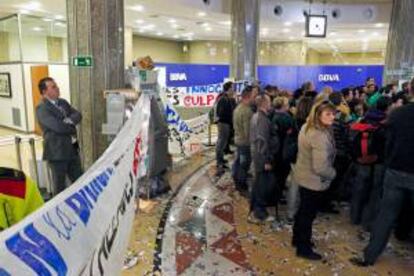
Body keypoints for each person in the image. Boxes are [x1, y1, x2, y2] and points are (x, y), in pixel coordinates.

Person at [351, 93, 414, 267]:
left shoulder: (398, 113)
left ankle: (369, 256)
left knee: (385, 216)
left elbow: (388, 141)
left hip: (395, 170)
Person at [292, 100, 336, 260]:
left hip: (303, 175)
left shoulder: (306, 127)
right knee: (307, 215)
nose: (333, 117)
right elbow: (320, 168)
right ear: (318, 115)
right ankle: (303, 248)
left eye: (333, 113)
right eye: (328, 114)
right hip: (313, 181)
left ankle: (297, 239)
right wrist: (333, 174)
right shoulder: (319, 136)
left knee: (303, 211)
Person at [349, 96, 391, 230]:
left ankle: (354, 217)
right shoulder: (387, 122)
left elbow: (352, 136)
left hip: (361, 159)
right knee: (375, 192)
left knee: (359, 188)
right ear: (388, 107)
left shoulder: (364, 118)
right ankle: (368, 223)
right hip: (379, 160)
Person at [36, 77, 83, 195]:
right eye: (53, 87)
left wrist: (69, 120)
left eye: (56, 85)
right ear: (44, 92)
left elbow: (78, 114)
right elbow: (58, 127)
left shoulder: (63, 102)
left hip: (72, 150)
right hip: (57, 153)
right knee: (60, 187)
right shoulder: (42, 108)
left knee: (80, 180)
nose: (57, 88)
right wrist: (71, 124)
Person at [249, 94, 279, 223]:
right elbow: (261, 141)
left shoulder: (257, 116)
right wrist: (267, 160)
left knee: (259, 184)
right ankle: (259, 213)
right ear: (264, 103)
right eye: (269, 101)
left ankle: (257, 209)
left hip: (259, 156)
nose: (271, 103)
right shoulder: (261, 119)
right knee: (262, 186)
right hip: (262, 158)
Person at [286, 96, 314, 222]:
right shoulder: (311, 125)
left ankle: (290, 213)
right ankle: (303, 211)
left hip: (295, 156)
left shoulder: (294, 121)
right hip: (307, 158)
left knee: (294, 185)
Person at [271, 96, 295, 204]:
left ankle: (276, 193)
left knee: (277, 173)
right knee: (282, 174)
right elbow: (293, 133)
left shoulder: (271, 116)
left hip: (275, 150)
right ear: (284, 106)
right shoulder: (286, 118)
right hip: (284, 150)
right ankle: (278, 195)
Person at [232, 86, 254, 195]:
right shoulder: (247, 111)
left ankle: (236, 177)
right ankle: (241, 184)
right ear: (248, 97)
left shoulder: (238, 108)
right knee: (244, 164)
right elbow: (248, 131)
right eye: (253, 96)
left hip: (238, 139)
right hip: (245, 142)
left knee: (238, 161)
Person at [215, 81, 234, 171]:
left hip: (226, 123)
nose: (233, 90)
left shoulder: (227, 98)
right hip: (223, 123)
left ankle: (221, 159)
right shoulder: (223, 99)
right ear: (229, 88)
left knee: (223, 143)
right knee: (221, 143)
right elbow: (221, 113)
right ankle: (219, 162)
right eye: (232, 88)